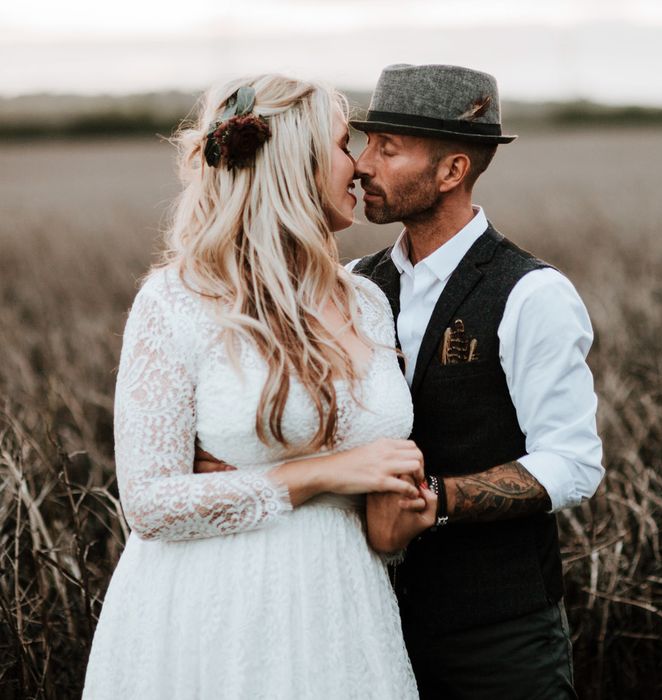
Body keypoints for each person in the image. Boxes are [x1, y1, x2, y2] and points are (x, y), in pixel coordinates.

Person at [83, 74, 423, 699]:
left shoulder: (368, 303)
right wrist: (323, 473)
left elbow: (373, 486)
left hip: (345, 605)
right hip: (218, 604)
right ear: (295, 162)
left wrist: (395, 520)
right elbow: (150, 505)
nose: (361, 165)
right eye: (346, 144)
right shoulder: (180, 301)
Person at [347, 64, 605, 699]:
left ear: (452, 171)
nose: (361, 164)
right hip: (366, 622)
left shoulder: (531, 293)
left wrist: (433, 500)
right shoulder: (353, 283)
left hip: (499, 635)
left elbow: (572, 462)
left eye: (388, 147)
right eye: (364, 142)